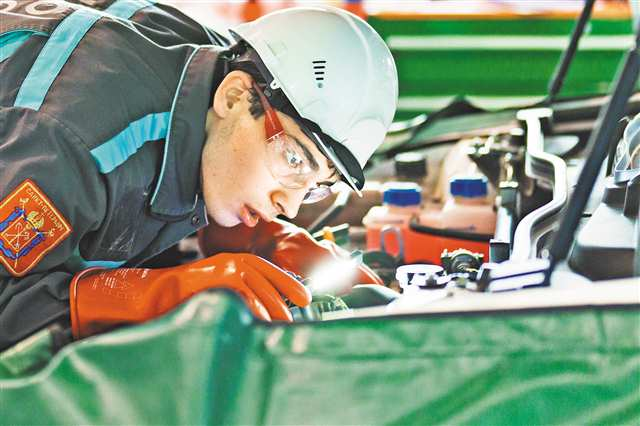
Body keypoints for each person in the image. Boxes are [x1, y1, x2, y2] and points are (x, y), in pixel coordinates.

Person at [0, 0, 398, 350]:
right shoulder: (72, 143)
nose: (290, 208)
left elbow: (173, 163)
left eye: (316, 188)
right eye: (295, 160)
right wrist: (159, 294)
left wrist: (249, 237)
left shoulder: (216, 67)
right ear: (235, 97)